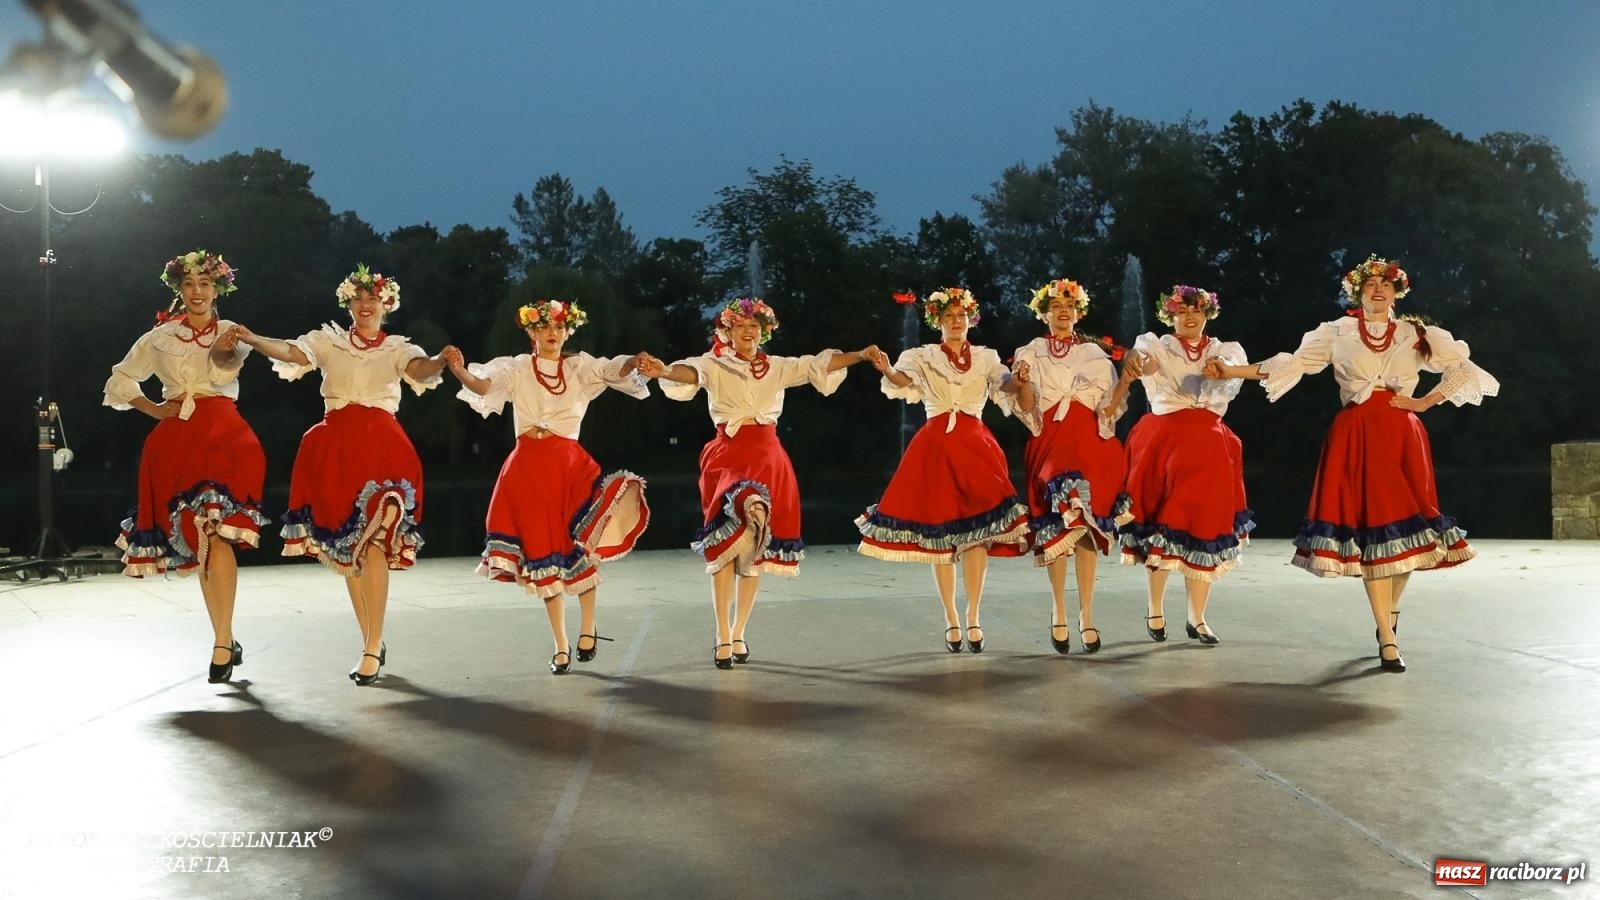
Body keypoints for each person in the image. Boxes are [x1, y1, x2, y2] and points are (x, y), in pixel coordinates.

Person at [1206, 255, 1499, 672]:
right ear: (1357, 292)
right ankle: (1388, 636)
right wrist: (1231, 370)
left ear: (1397, 291)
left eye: (1386, 284)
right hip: (1357, 434)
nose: (1377, 290)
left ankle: (1388, 621)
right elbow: (1293, 363)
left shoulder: (1416, 333)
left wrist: (1424, 401)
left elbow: (1463, 369)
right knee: (1374, 528)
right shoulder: (1338, 332)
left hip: (1402, 434)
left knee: (1412, 530)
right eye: (1369, 285)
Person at [217, 264, 452, 685]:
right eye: (358, 299)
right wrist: (253, 339)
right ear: (349, 304)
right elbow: (292, 352)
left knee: (377, 535)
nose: (365, 306)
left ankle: (370, 645)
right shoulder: (330, 342)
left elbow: (419, 370)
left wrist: (439, 360)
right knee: (349, 549)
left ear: (386, 305)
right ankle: (371, 642)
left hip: (383, 447)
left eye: (373, 300)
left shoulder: (396, 347)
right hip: (335, 449)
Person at [640, 297, 879, 669]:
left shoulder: (777, 367)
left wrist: (860, 355)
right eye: (740, 327)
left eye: (754, 327)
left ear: (763, 332)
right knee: (725, 545)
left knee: (754, 552)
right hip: (727, 458)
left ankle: (737, 632)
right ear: (729, 331)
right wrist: (663, 372)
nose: (748, 332)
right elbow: (689, 373)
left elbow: (817, 364)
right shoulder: (714, 363)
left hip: (768, 457)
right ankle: (721, 634)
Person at [450, 299, 651, 675]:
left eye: (559, 327)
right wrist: (459, 370)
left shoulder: (578, 368)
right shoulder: (517, 368)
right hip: (527, 469)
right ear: (531, 331)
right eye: (544, 327)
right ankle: (560, 644)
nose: (552, 334)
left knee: (578, 546)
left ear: (568, 330)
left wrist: (632, 362)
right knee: (543, 554)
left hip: (570, 467)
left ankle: (588, 625)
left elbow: (613, 368)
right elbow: (483, 384)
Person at [104, 249, 267, 684]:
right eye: (190, 285)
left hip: (225, 434)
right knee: (199, 534)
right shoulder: (159, 337)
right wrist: (154, 409)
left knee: (218, 527)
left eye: (206, 285)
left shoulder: (231, 331)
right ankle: (224, 638)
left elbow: (226, 367)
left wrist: (229, 351)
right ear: (180, 289)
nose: (198, 292)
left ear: (218, 290)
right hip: (176, 435)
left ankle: (221, 641)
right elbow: (120, 379)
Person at [857, 287, 1030, 654]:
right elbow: (903, 381)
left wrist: (1022, 378)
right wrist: (887, 369)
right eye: (949, 316)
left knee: (978, 533)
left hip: (975, 445)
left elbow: (1006, 385)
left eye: (961, 316)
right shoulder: (921, 355)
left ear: (970, 320)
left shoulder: (985, 356)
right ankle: (951, 616)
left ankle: (973, 615)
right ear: (938, 321)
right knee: (940, 534)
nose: (956, 322)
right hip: (935, 444)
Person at [1103, 284, 1252, 647]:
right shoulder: (1158, 345)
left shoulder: (1223, 350)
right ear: (1170, 315)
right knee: (1163, 526)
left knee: (1206, 527)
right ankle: (1155, 609)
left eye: (1196, 311)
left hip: (1211, 446)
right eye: (1182, 311)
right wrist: (1136, 364)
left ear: (1207, 314)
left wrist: (1226, 371)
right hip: (1164, 443)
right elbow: (1144, 361)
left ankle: (1197, 618)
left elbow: (1232, 368)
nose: (1190, 317)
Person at [1012, 278, 1130, 654]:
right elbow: (1029, 407)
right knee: (1059, 522)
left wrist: (1126, 379)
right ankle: (1059, 610)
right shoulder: (1030, 350)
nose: (1063, 312)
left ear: (1078, 313)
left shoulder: (1095, 355)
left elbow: (1109, 409)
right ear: (1044, 313)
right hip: (1051, 441)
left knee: (1086, 527)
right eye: (1056, 306)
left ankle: (1087, 615)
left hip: (1091, 443)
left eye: (1070, 306)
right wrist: (1024, 382)